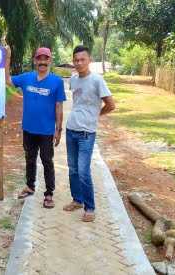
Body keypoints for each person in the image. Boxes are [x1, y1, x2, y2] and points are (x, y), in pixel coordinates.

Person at [5, 46, 66, 208]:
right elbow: (8, 80)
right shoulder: (26, 78)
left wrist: (58, 130)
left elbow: (59, 106)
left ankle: (49, 194)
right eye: (39, 58)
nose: (42, 62)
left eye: (46, 59)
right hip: (29, 129)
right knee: (29, 158)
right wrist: (7, 59)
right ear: (35, 61)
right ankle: (30, 186)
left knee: (47, 161)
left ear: (50, 61)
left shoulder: (57, 82)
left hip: (46, 131)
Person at [63, 45, 115, 222]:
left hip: (87, 133)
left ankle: (90, 207)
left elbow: (111, 105)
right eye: (76, 60)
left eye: (82, 59)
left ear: (89, 60)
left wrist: (96, 115)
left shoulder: (97, 80)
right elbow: (78, 102)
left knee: (84, 171)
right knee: (73, 169)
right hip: (71, 130)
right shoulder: (74, 79)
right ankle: (77, 200)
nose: (79, 63)